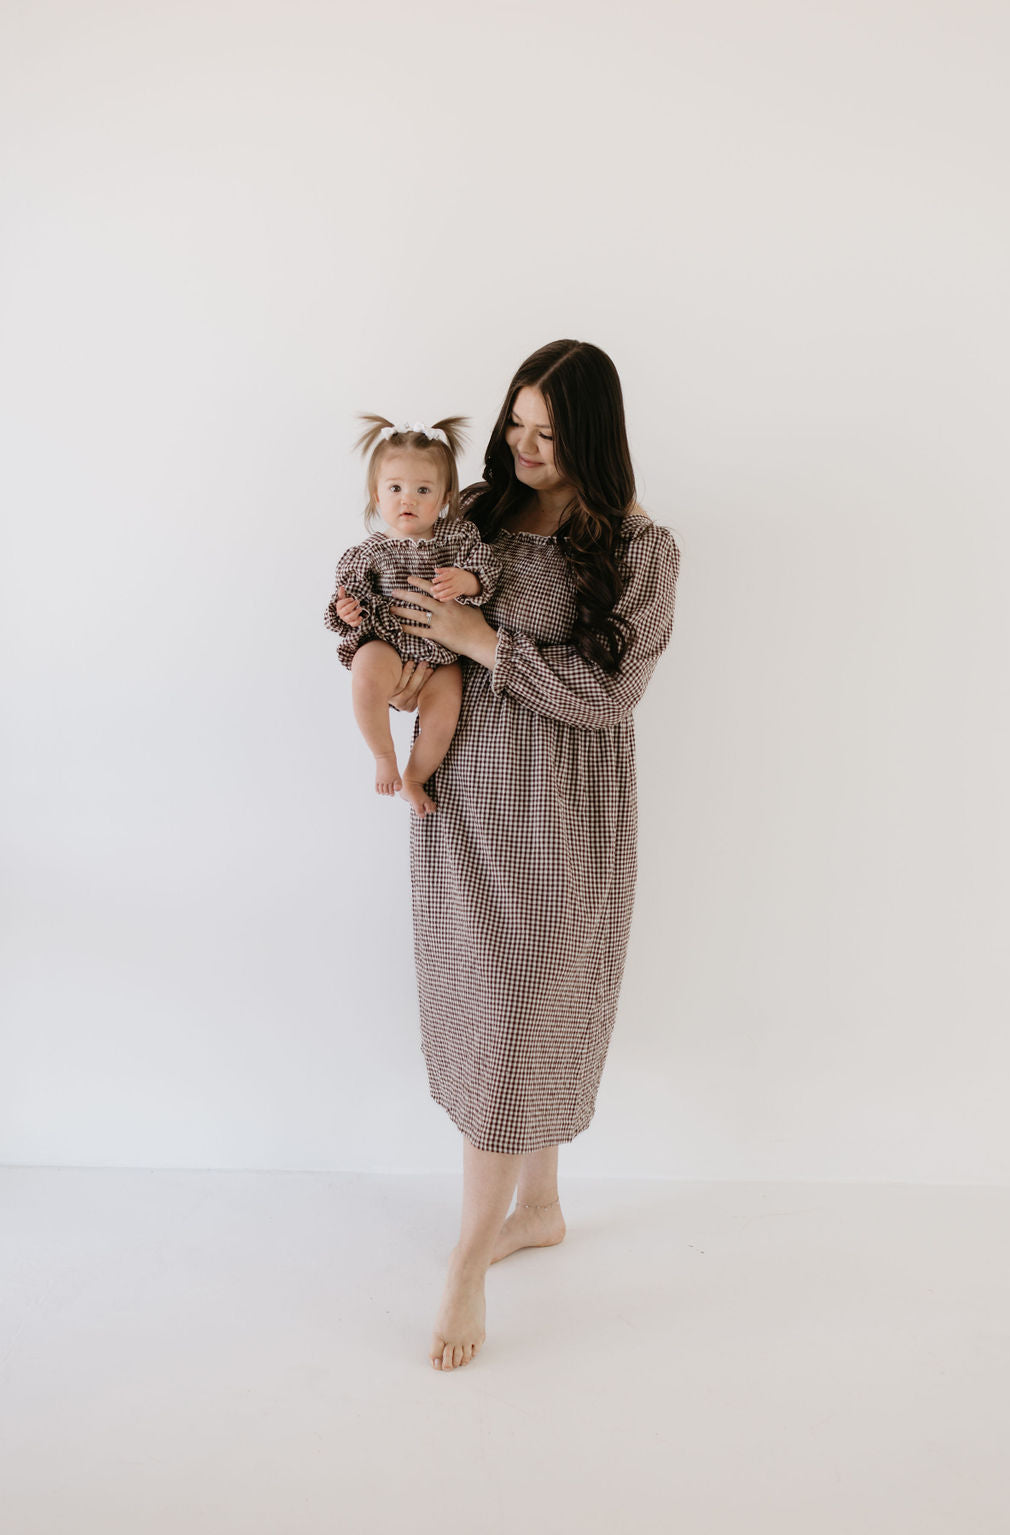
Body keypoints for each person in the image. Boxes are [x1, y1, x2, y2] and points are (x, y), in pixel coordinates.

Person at [331, 341, 681, 1372]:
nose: (526, 447)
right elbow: (399, 605)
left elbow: (611, 695)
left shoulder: (638, 545)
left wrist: (484, 640)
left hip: (560, 814)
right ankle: (539, 1206)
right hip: (464, 793)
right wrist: (377, 647)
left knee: (527, 1013)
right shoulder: (471, 507)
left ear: (593, 435)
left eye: (549, 430)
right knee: (489, 1012)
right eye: (517, 423)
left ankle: (468, 1259)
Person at [324, 416, 502, 816]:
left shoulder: (459, 539)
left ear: (444, 498)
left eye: (423, 489)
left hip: (443, 653)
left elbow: (488, 569)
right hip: (389, 642)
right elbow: (344, 599)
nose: (409, 499)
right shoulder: (368, 553)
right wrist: (348, 611)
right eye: (396, 489)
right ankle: (383, 754)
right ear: (377, 495)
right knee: (366, 671)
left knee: (446, 710)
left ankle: (417, 776)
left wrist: (468, 581)